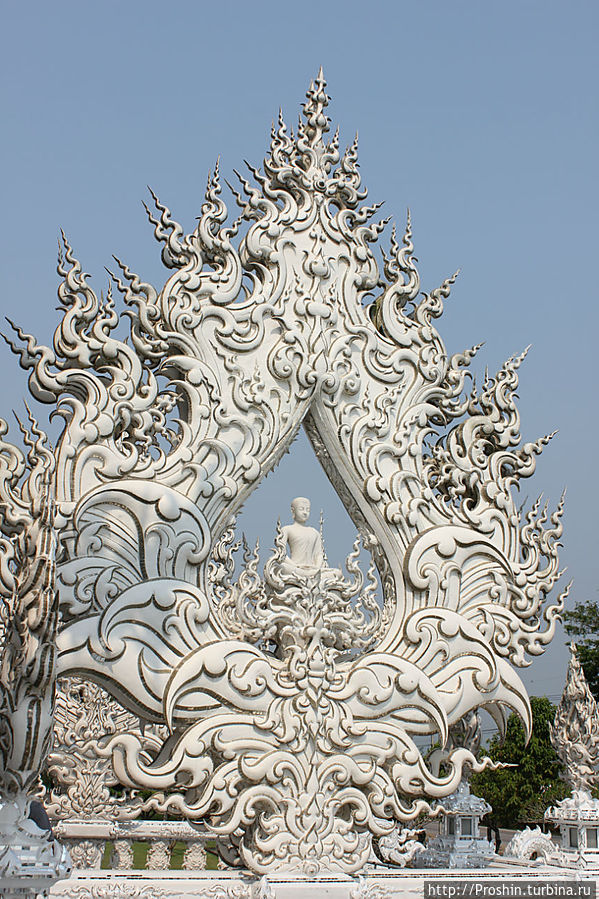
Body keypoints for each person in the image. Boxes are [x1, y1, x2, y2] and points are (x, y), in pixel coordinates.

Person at [280, 498, 324, 576]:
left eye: (308, 510)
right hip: (295, 567)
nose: (305, 512)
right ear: (293, 511)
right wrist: (295, 566)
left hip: (312, 568)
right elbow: (281, 553)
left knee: (337, 572)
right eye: (301, 509)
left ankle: (311, 574)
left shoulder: (314, 532)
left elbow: (319, 554)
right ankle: (309, 575)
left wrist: (317, 567)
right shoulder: (287, 529)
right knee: (283, 567)